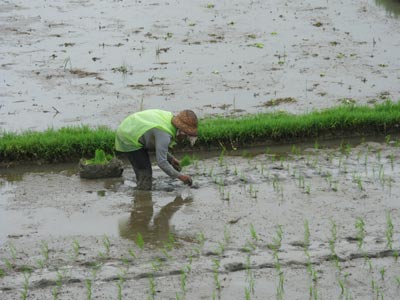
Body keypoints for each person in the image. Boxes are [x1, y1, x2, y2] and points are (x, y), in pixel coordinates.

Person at [115, 109, 198, 190]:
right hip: (128, 137)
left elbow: (157, 144)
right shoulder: (164, 134)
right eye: (185, 136)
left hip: (131, 127)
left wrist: (171, 159)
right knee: (145, 174)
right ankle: (142, 197)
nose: (184, 139)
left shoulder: (169, 120)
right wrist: (181, 177)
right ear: (181, 131)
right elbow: (162, 163)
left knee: (145, 173)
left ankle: (141, 189)